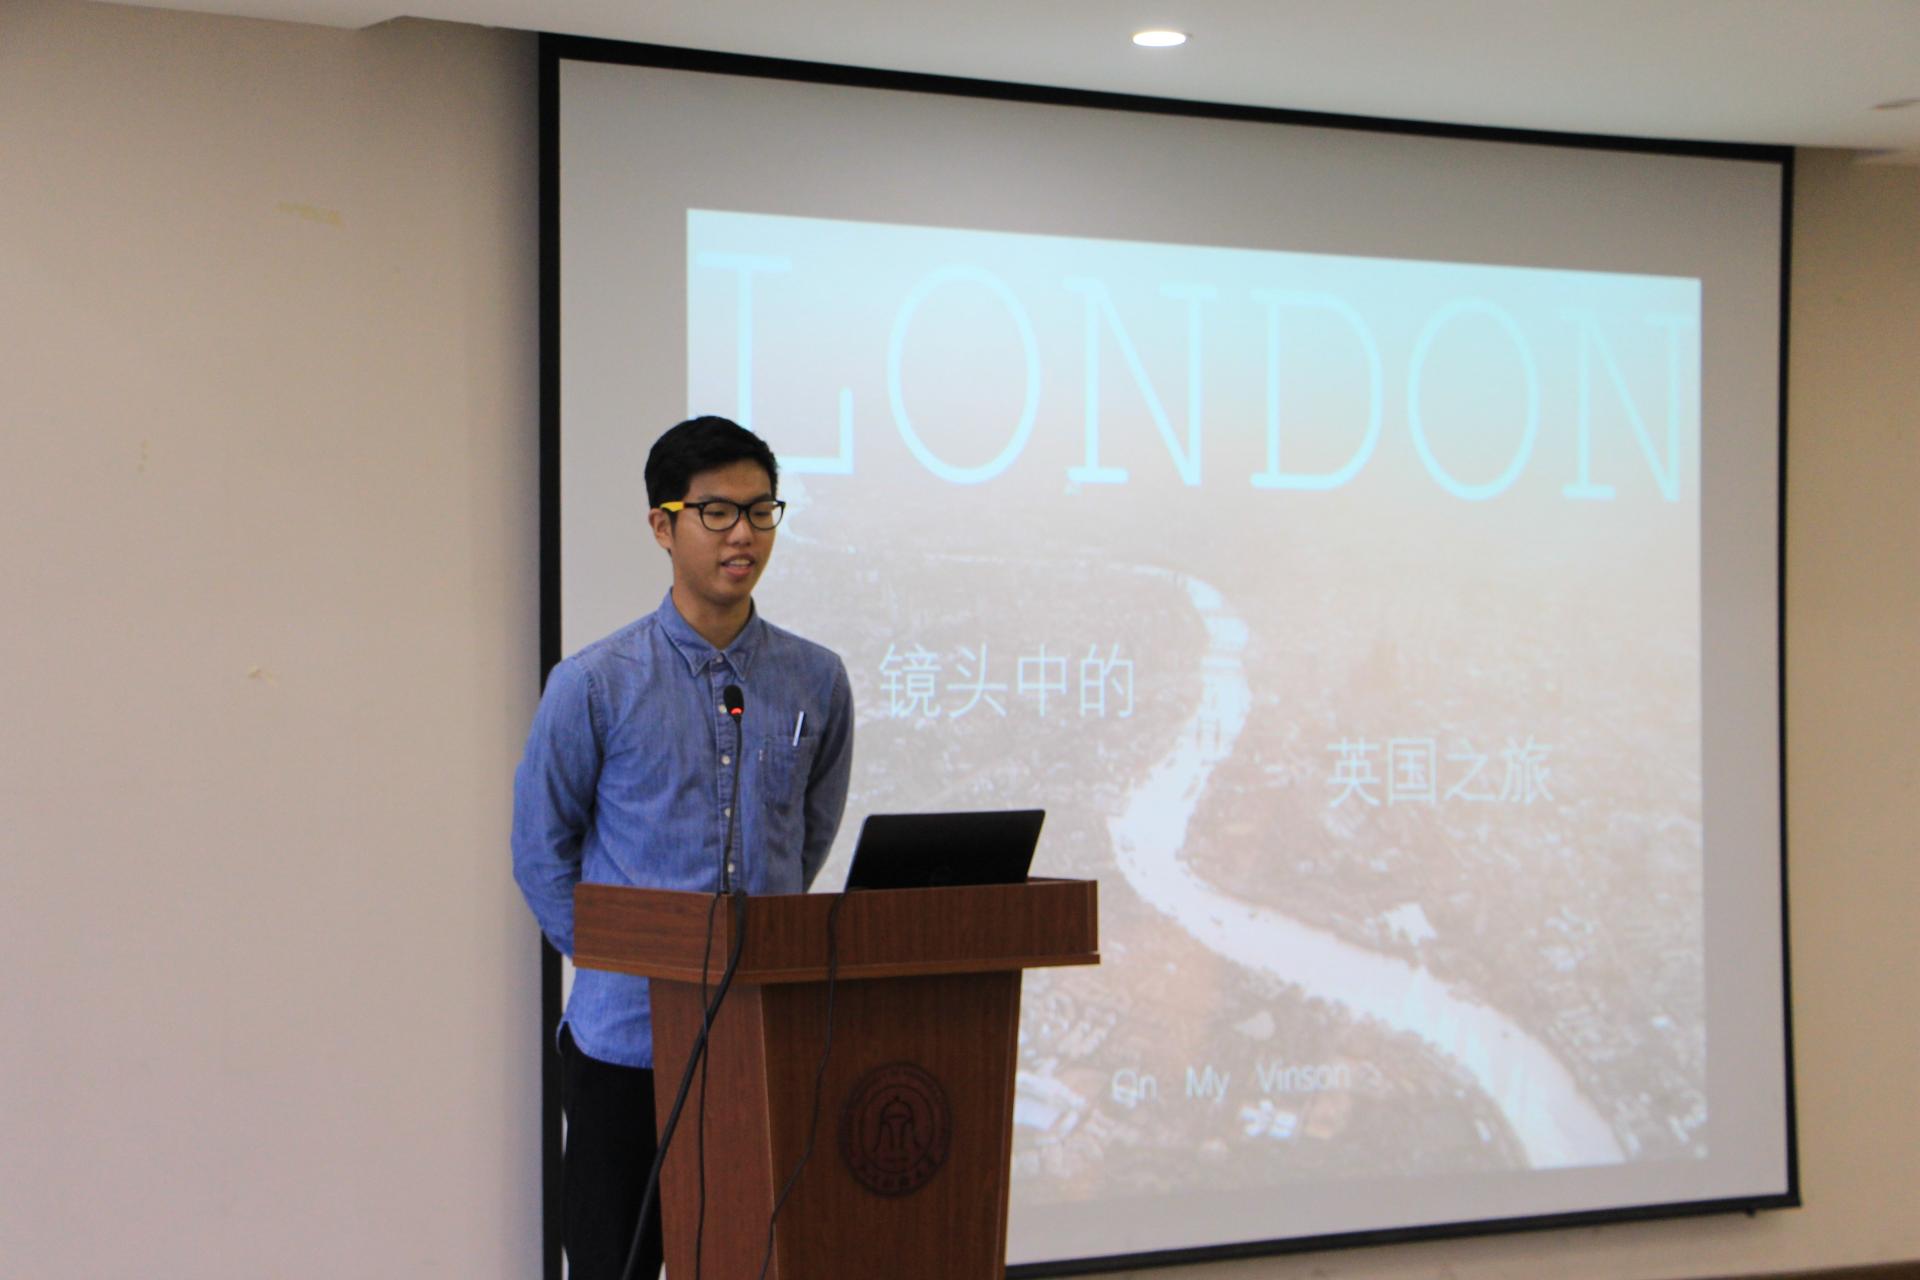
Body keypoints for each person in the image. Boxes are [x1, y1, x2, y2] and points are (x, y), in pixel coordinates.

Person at [511, 415, 855, 1280]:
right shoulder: (595, 683)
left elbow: (807, 833)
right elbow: (541, 849)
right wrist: (617, 956)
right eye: (717, 512)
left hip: (762, 1039)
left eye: (761, 511)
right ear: (663, 527)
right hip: (626, 1045)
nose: (744, 534)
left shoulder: (816, 678)